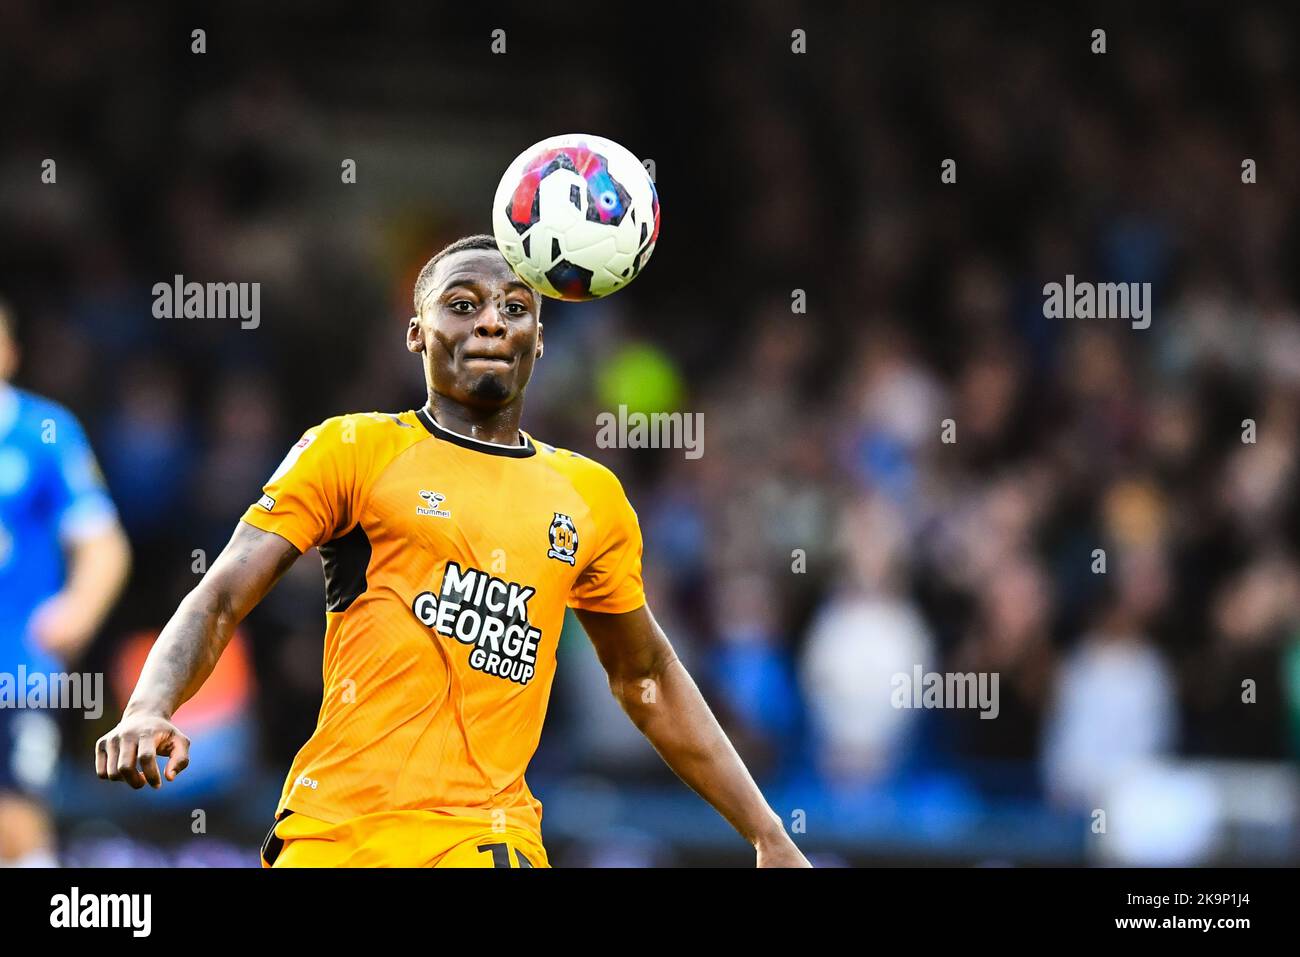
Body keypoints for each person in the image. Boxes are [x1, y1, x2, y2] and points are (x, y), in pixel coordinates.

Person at [96, 236, 810, 868]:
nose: (492, 319)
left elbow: (646, 673)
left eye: (515, 307)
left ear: (540, 339)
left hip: (484, 837)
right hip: (334, 831)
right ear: (416, 333)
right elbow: (220, 595)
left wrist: (765, 832)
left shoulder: (591, 496)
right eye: (462, 304)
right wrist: (149, 706)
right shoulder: (353, 448)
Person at [0, 298, 131, 866]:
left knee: (14, 815)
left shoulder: (43, 432)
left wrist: (78, 609)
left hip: (17, 668)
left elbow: (102, 542)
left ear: (9, 351)